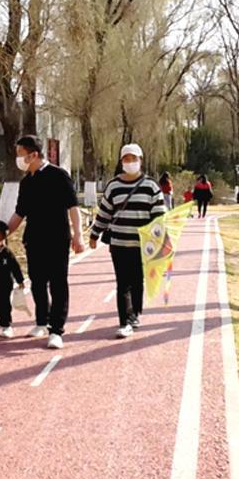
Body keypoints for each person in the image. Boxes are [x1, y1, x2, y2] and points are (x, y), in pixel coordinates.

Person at [7, 135, 85, 350]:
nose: (18, 159)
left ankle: (56, 330)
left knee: (58, 284)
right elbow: (19, 213)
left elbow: (73, 207)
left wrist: (78, 235)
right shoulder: (26, 182)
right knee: (38, 282)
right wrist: (3, 234)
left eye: (21, 154)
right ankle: (42, 321)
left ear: (33, 154)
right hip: (34, 240)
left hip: (57, 239)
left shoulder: (59, 176)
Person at [89, 144, 166, 339]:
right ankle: (125, 321)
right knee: (123, 283)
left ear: (140, 160)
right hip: (119, 244)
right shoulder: (114, 186)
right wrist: (94, 234)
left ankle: (135, 314)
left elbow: (159, 216)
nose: (130, 162)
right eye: (126, 159)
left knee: (137, 281)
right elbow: (104, 213)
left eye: (134, 159)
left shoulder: (151, 186)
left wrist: (159, 240)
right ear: (121, 161)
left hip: (142, 246)